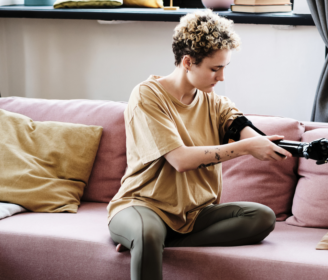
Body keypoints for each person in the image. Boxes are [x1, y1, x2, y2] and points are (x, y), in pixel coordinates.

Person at [107, 9, 293, 280]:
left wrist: (279, 146)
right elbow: (180, 160)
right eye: (214, 69)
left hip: (196, 214)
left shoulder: (216, 103)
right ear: (188, 62)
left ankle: (157, 242)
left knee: (262, 217)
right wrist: (246, 149)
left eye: (224, 68)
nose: (221, 78)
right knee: (148, 232)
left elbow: (243, 130)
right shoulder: (147, 96)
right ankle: (148, 238)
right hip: (143, 205)